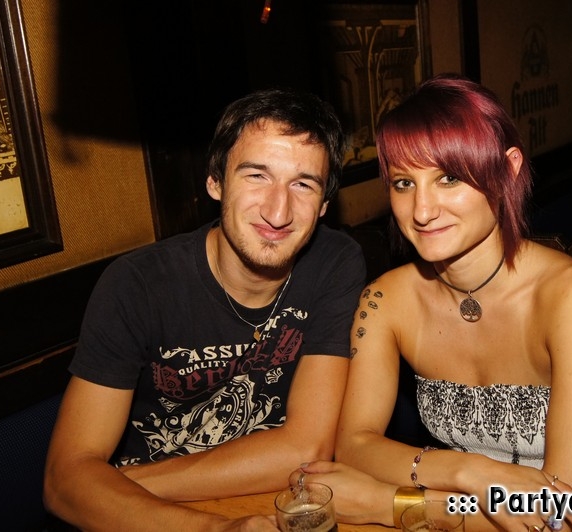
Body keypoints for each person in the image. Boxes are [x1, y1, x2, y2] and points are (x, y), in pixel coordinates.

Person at [294, 74, 572, 531]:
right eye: (404, 183)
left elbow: (566, 517)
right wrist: (469, 471)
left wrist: (387, 504)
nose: (422, 211)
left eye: (448, 178)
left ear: (508, 170)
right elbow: (353, 445)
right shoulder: (386, 300)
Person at [43, 87, 367, 531]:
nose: (278, 212)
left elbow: (306, 450)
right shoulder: (138, 285)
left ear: (325, 204)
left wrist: (116, 482)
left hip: (253, 502)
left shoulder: (334, 263)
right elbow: (65, 482)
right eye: (257, 176)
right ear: (215, 182)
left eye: (303, 184)